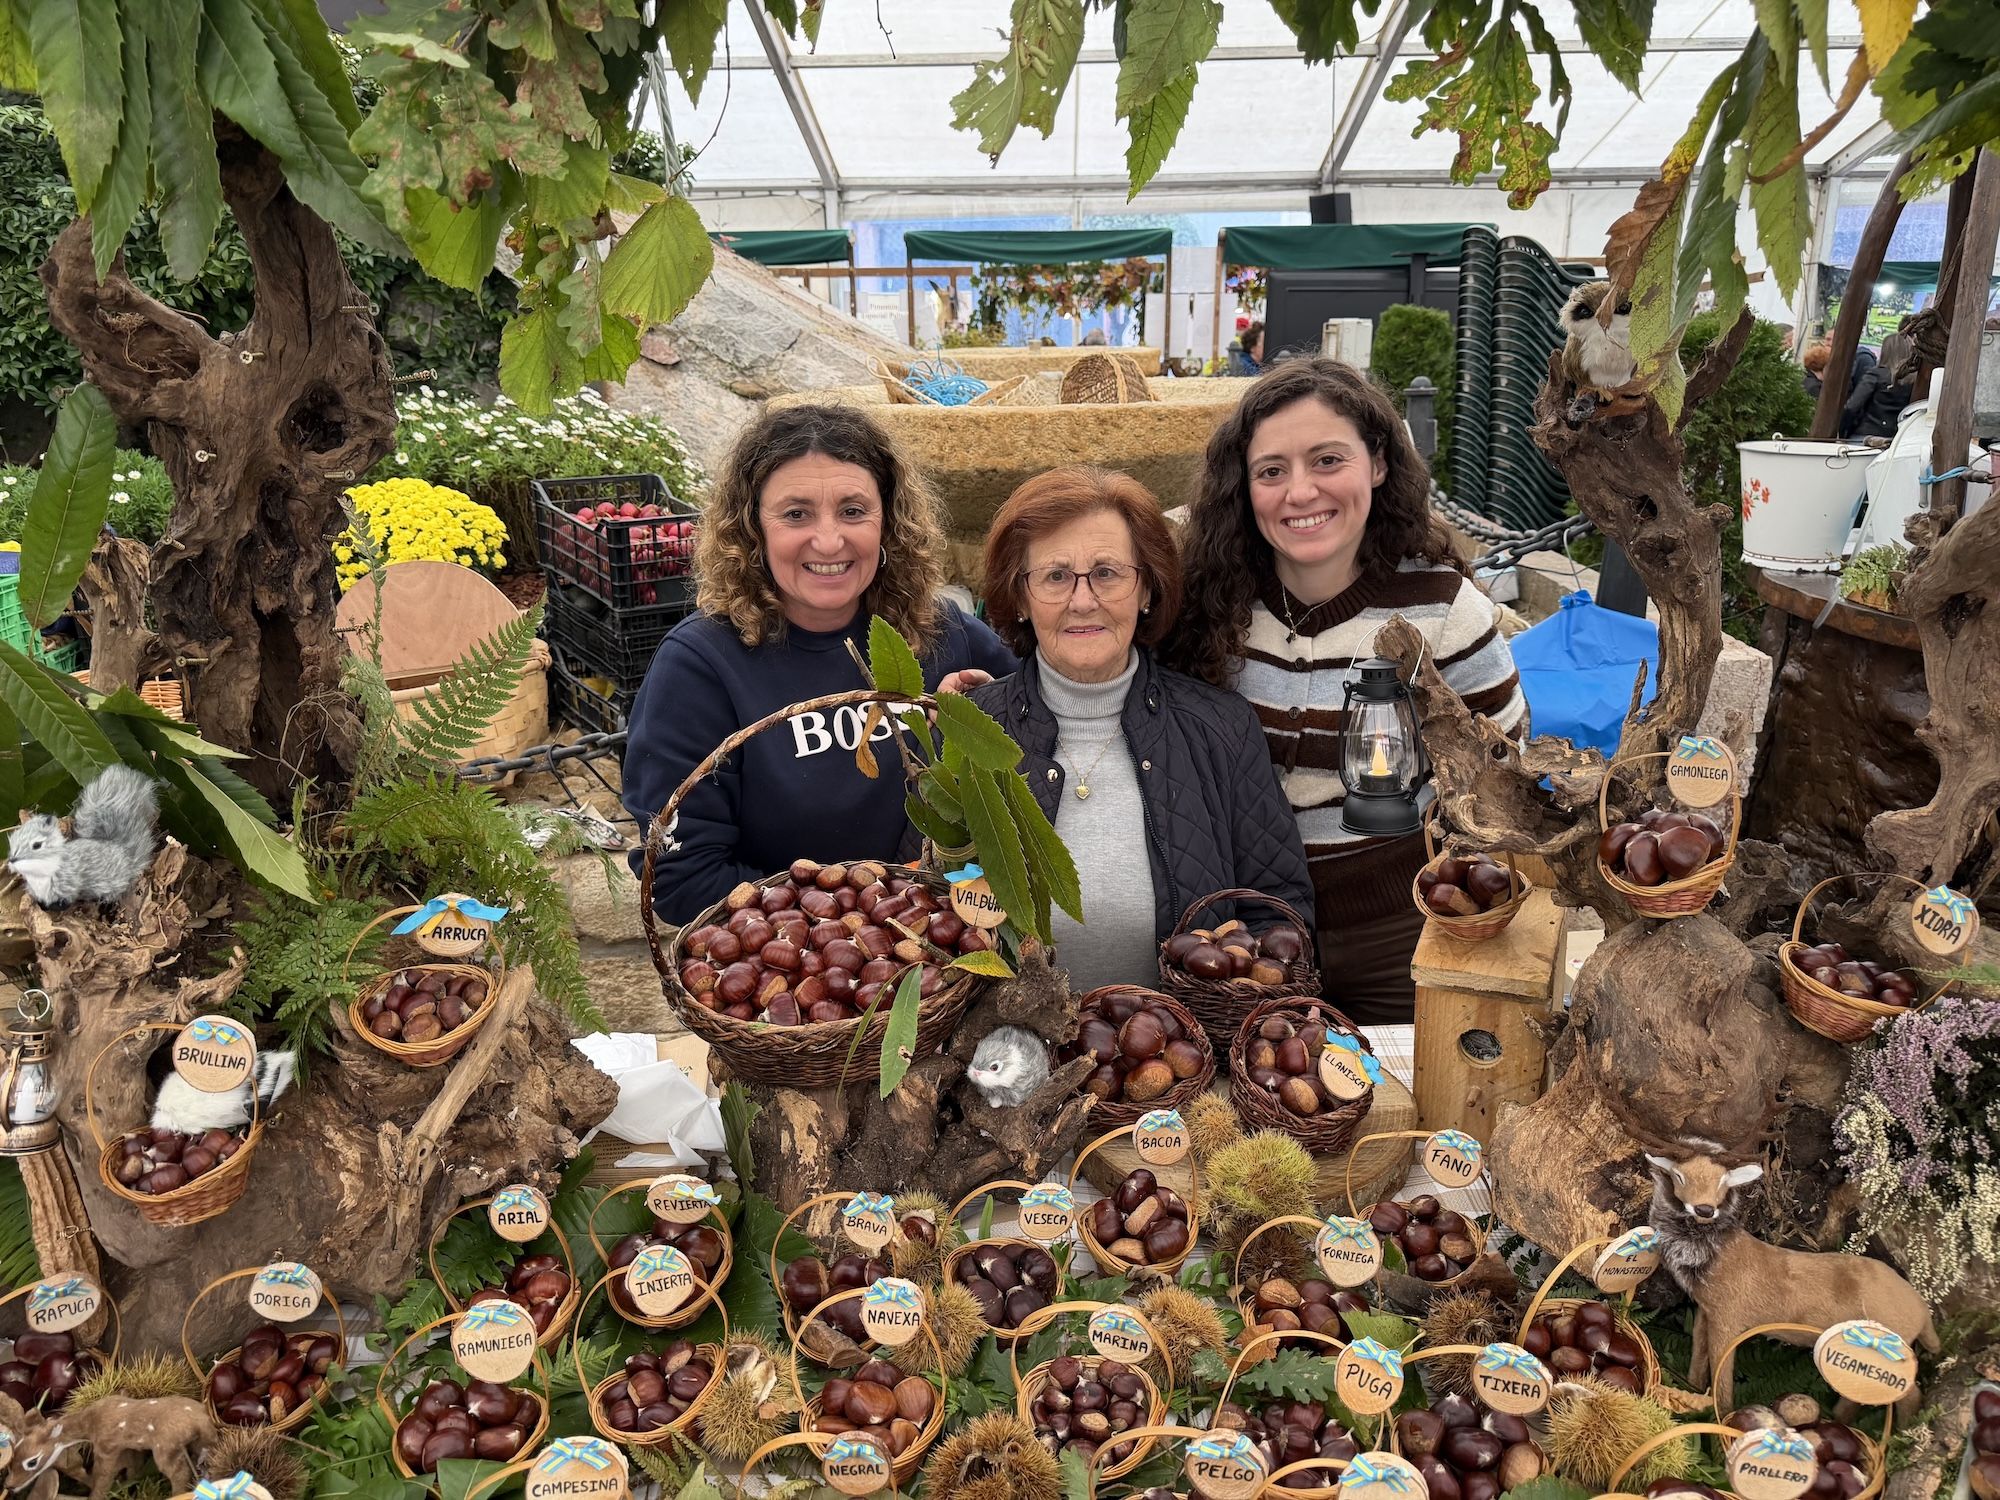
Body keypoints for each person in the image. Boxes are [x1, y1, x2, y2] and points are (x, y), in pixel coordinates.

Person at [1163, 358, 1527, 1025]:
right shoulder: (1205, 602)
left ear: (1379, 464)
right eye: (1271, 471)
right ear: (1243, 488)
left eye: (1327, 460)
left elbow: (1508, 794)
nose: (1300, 492)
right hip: (1239, 939)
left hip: (1405, 936)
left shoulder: (1445, 615)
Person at [623, 404, 1019, 924]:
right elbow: (680, 880)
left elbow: (1045, 748)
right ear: (752, 530)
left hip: (952, 948)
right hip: (799, 975)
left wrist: (996, 713)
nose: (829, 540)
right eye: (796, 514)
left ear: (890, 524)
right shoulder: (700, 668)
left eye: (854, 511)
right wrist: (862, 915)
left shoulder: (945, 634)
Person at [968, 466, 1312, 992]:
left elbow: (1279, 910)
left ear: (1146, 587)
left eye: (1107, 573)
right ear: (1019, 597)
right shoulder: (968, 731)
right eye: (1056, 576)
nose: (1083, 601)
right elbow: (922, 911)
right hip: (1004, 1060)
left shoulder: (1220, 727)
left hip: (1182, 1058)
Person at [1844, 327, 1915, 439]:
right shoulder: (1915, 380)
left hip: (1867, 434)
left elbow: (1852, 406)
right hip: (1897, 438)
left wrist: (1843, 431)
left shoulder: (1876, 375)